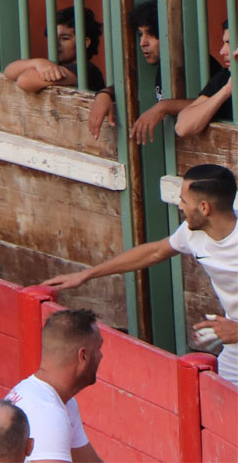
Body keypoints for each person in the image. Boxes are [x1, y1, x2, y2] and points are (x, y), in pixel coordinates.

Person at [45, 164, 237, 385]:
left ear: (204, 208)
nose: (180, 205)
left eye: (184, 200)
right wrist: (87, 275)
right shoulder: (193, 233)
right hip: (234, 347)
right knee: (219, 406)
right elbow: (155, 252)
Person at [87, 0, 196, 144]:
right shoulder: (162, 67)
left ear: (171, 33)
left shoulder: (197, 65)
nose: (142, 42)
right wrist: (104, 94)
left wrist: (163, 107)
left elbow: (211, 103)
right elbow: (132, 85)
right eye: (140, 34)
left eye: (150, 34)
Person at [4, 309, 104, 463]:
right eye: (98, 349)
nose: (101, 356)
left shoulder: (61, 402)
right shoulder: (48, 413)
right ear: (83, 356)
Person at [3, 6, 106, 93]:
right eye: (53, 37)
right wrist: (37, 62)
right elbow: (8, 71)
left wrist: (39, 65)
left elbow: (25, 80)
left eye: (65, 38)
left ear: (84, 43)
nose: (56, 43)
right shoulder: (56, 66)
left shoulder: (87, 70)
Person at [175, 19, 234, 136]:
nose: (222, 51)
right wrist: (227, 90)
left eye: (230, 43)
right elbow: (182, 127)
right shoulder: (225, 77)